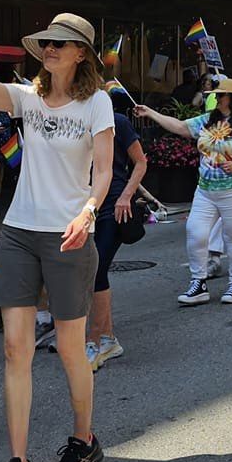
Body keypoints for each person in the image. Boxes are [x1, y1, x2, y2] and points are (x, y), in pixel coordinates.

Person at [0, 12, 114, 462]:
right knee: (15, 350)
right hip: (19, 232)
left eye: (62, 43)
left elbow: (103, 172)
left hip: (69, 236)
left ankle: (85, 440)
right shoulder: (27, 96)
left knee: (67, 347)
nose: (51, 48)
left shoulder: (96, 103)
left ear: (81, 53)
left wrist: (88, 211)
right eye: (47, 41)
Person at [139, 78, 232, 307]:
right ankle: (199, 282)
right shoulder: (206, 121)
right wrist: (151, 113)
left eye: (221, 95)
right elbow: (180, 127)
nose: (215, 98)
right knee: (195, 232)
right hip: (205, 190)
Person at [88, 86, 148, 369]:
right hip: (85, 206)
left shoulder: (118, 122)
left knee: (95, 268)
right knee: (89, 269)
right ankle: (108, 338)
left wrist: (127, 195)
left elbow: (141, 161)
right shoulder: (77, 122)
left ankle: (93, 341)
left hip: (114, 207)